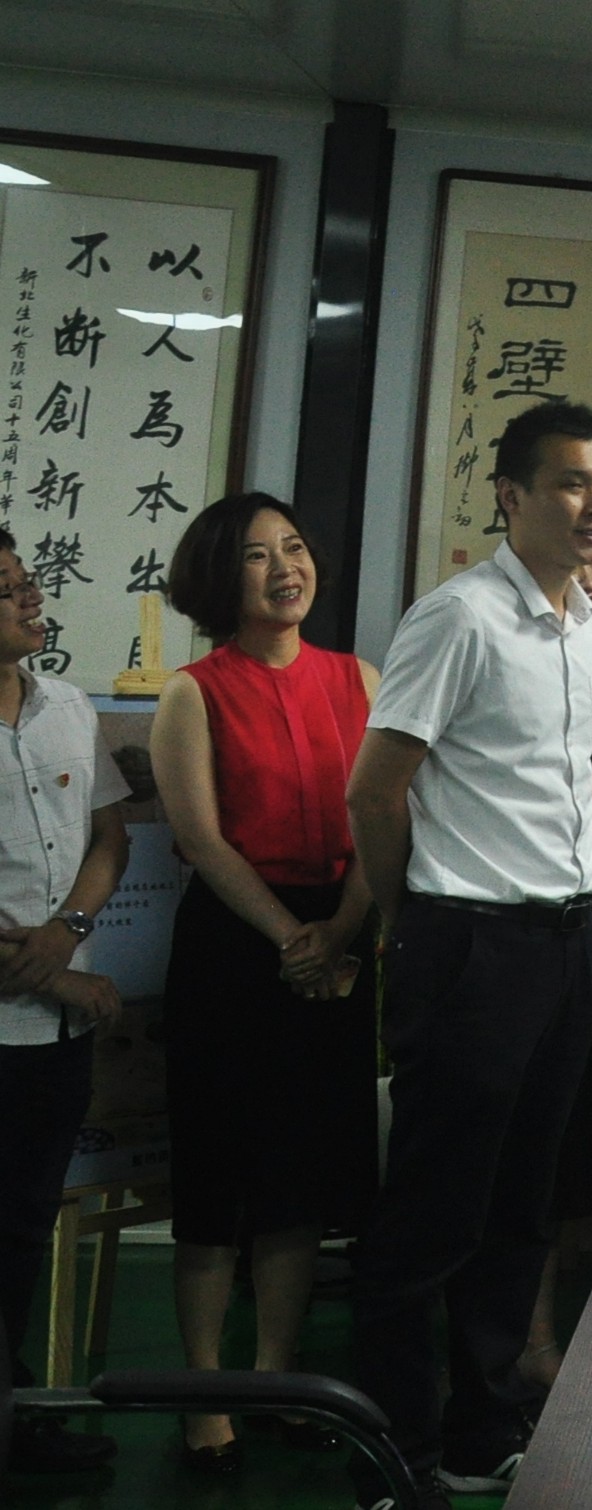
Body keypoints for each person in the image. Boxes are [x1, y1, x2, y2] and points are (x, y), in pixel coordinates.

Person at [344, 402, 592, 1504]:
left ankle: (478, 1428)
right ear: (511, 494)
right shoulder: (458, 618)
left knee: (521, 1206)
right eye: (571, 484)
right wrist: (407, 916)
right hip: (469, 940)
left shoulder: (581, 618)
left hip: (566, 937)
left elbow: (555, 789)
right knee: (432, 1212)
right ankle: (392, 1450)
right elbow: (376, 790)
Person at [145, 494, 380, 1470]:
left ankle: (277, 1377)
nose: (286, 568)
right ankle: (206, 1394)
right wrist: (293, 938)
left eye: (294, 547)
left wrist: (342, 932)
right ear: (218, 576)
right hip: (236, 944)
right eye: (255, 555)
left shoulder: (359, 677)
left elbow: (384, 813)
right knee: (219, 1173)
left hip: (343, 933)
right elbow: (201, 839)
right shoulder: (192, 691)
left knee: (300, 1179)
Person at [0, 526, 131, 1475]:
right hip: (25, 1012)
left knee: (22, 1231)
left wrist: (68, 931)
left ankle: (12, 1418)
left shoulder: (68, 707)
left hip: (52, 1036)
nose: (29, 596)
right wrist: (56, 968)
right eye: (5, 587)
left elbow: (109, 835)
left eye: (26, 580)